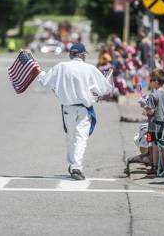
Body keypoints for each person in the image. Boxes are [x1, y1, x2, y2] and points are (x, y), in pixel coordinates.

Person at [37, 43, 112, 180]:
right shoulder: (90, 69)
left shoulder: (61, 67)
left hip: (67, 108)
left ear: (70, 54)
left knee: (70, 136)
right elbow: (105, 88)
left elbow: (45, 83)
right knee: (81, 137)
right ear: (83, 55)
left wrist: (40, 73)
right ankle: (76, 166)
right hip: (84, 108)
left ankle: (73, 165)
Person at [139, 69, 164, 174]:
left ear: (156, 82)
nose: (150, 82)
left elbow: (151, 111)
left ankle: (155, 166)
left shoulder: (153, 95)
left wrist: (144, 107)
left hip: (154, 125)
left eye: (151, 80)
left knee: (154, 145)